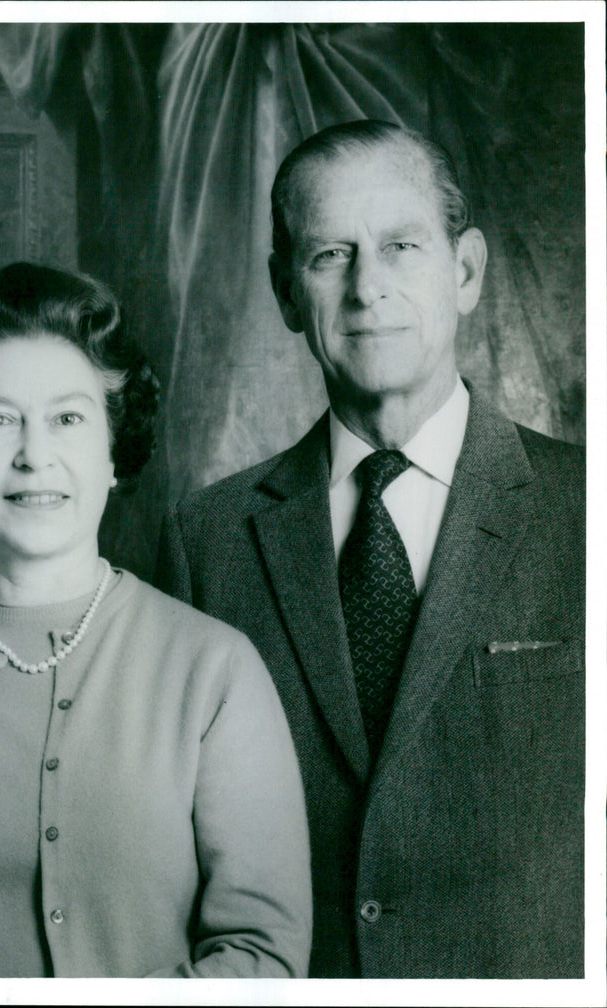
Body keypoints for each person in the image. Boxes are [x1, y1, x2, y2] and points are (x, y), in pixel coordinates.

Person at [156, 120, 584, 978]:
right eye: (329, 257)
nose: (366, 288)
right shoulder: (208, 539)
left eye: (400, 246)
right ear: (286, 294)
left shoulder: (589, 510)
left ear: (463, 272)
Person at [0, 262, 312, 978]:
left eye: (67, 418)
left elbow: (262, 958)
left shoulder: (214, 669)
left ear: (113, 451)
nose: (34, 455)